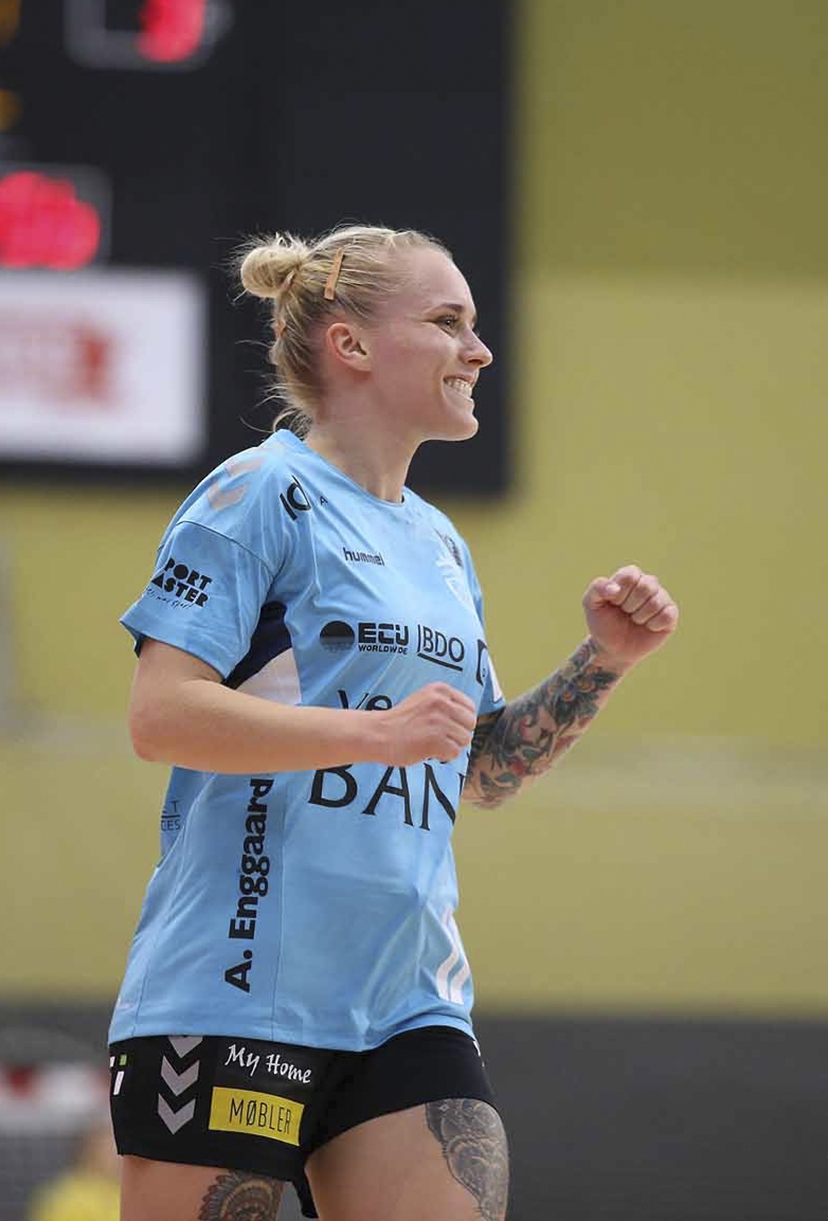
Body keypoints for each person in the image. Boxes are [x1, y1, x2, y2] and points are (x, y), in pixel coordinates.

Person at [106, 225, 679, 1221]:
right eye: (448, 321)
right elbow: (162, 716)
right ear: (352, 344)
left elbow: (480, 768)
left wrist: (605, 662)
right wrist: (373, 734)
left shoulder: (439, 543)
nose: (479, 350)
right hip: (236, 986)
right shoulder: (258, 493)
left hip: (410, 998)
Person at [28, 1105, 123, 1221]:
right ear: (89, 1147)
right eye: (109, 1143)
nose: (118, 1154)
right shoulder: (65, 1197)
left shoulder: (126, 1190)